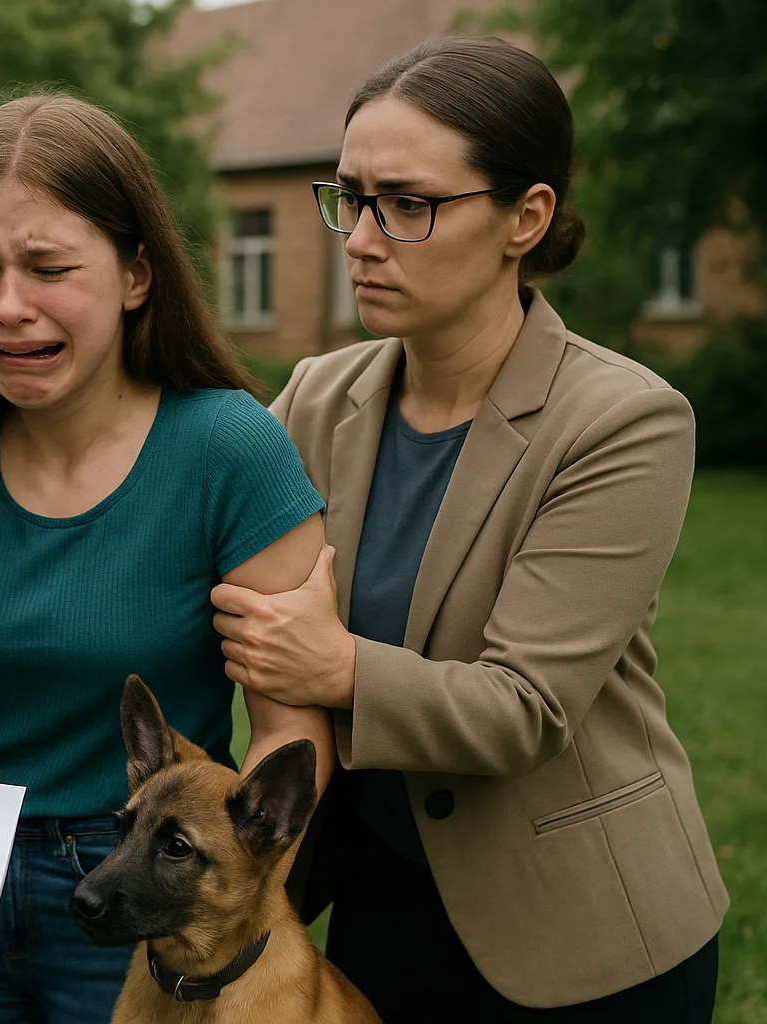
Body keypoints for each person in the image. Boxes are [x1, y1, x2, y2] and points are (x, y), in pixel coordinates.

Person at [211, 36, 727, 1022]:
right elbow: (188, 552)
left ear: (525, 218)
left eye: (408, 204)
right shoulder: (319, 398)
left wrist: (340, 668)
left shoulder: (624, 419)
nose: (361, 237)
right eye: (350, 198)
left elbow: (524, 705)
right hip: (376, 910)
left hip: (586, 941)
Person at [0, 93, 331, 1023]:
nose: (8, 308)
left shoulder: (231, 452)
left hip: (152, 887)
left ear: (135, 274)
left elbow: (295, 736)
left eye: (48, 267)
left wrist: (227, 911)